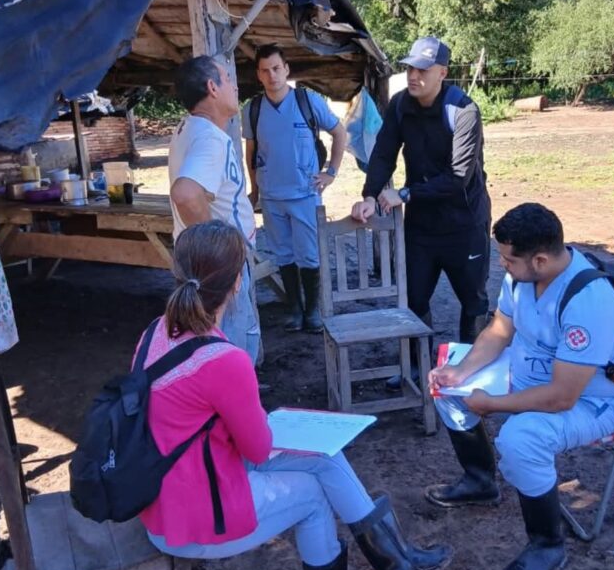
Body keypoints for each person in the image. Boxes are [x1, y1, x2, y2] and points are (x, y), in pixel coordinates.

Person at [137, 220, 452, 570]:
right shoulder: (222, 359)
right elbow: (255, 448)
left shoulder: (155, 333)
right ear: (236, 285)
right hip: (193, 516)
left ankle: (396, 561)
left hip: (169, 491)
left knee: (324, 456)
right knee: (312, 495)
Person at [426, 202, 614, 570]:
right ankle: (481, 480)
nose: (501, 265)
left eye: (507, 259)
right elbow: (501, 328)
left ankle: (547, 544)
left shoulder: (589, 299)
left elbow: (561, 397)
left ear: (539, 259)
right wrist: (461, 372)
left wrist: (492, 404)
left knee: (521, 438)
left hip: (590, 402)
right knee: (446, 387)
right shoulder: (523, 277)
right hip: (529, 374)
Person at [350, 36, 491, 387]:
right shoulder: (400, 106)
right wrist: (370, 195)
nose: (414, 75)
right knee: (413, 298)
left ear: (442, 72)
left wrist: (407, 192)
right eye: (411, 67)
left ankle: (468, 372)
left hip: (465, 223)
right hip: (421, 228)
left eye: (423, 69)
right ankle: (417, 367)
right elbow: (383, 154)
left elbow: (459, 178)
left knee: (473, 301)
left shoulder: (463, 111)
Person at [243, 44, 346, 333]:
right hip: (272, 197)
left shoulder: (308, 101)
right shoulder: (252, 110)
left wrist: (331, 173)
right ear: (258, 75)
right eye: (265, 71)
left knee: (309, 255)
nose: (272, 75)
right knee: (283, 255)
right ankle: (294, 309)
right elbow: (250, 153)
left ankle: (313, 310)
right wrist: (254, 189)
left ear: (286, 69)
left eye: (276, 68)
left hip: (305, 195)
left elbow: (340, 133)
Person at [168, 54, 260, 364]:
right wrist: (219, 248)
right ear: (212, 87)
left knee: (209, 353)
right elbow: (186, 194)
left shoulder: (189, 129)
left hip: (203, 264)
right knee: (230, 354)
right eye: (228, 80)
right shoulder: (209, 138)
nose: (235, 87)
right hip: (220, 269)